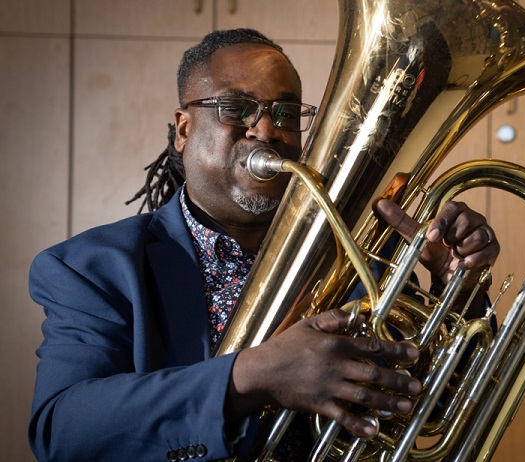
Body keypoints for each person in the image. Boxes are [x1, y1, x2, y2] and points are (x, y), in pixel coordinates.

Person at [28, 28, 499, 462]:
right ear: (184, 129)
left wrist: (456, 289)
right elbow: (63, 430)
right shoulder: (91, 267)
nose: (268, 129)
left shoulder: (358, 261)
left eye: (287, 113)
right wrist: (249, 376)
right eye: (235, 108)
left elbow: (439, 404)